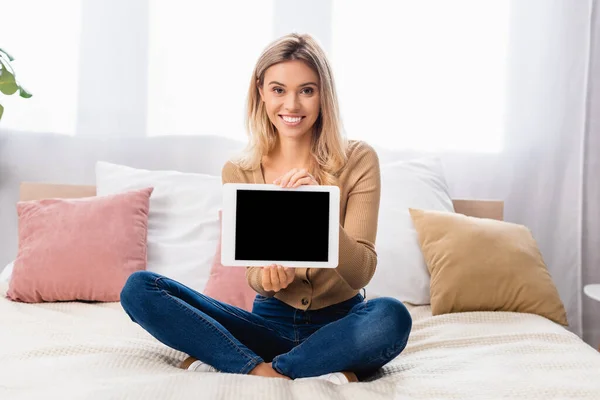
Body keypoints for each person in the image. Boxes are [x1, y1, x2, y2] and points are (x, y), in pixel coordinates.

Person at [120, 33, 412, 384]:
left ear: (324, 95)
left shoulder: (358, 159)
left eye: (307, 90)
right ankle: (285, 368)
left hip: (341, 325)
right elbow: (254, 274)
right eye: (278, 90)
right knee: (140, 288)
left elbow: (361, 272)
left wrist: (316, 213)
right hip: (265, 325)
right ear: (260, 91)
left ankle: (259, 365)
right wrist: (269, 280)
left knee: (392, 316)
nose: (292, 105)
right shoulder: (240, 170)